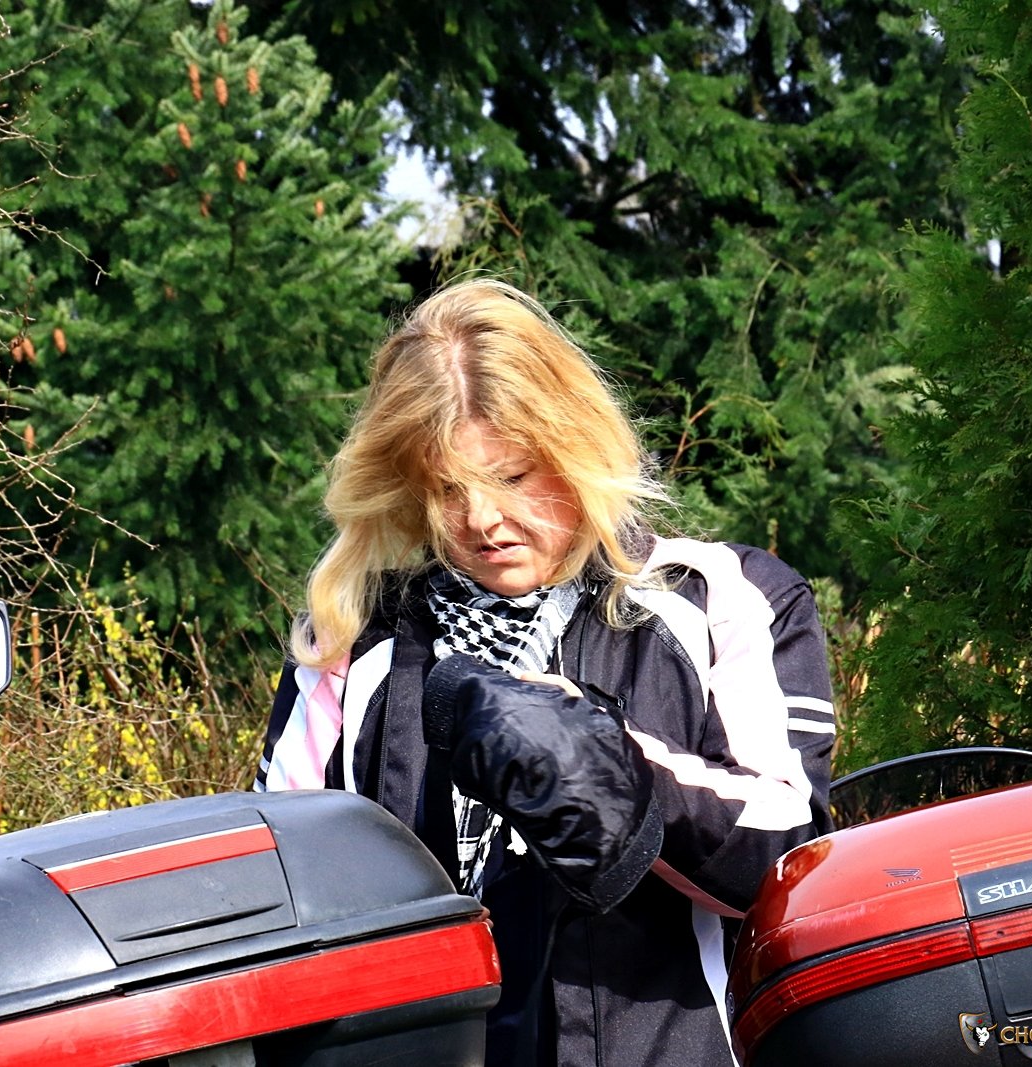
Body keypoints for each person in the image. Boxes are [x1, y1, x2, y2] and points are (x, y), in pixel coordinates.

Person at [254, 279, 835, 1066]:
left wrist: (611, 762)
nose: (483, 519)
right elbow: (283, 896)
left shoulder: (725, 598)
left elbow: (794, 869)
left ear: (577, 445)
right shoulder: (351, 648)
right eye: (449, 488)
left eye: (514, 476)